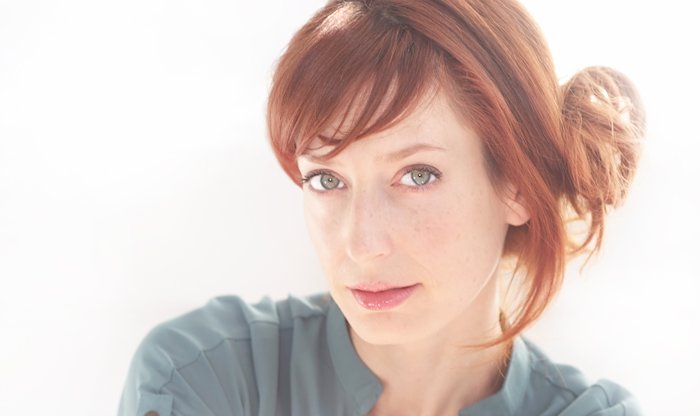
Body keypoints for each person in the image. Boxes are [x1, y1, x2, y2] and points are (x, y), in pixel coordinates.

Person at [118, 0, 645, 415]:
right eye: (326, 179)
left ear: (518, 186)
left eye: (417, 176)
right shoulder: (204, 376)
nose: (361, 244)